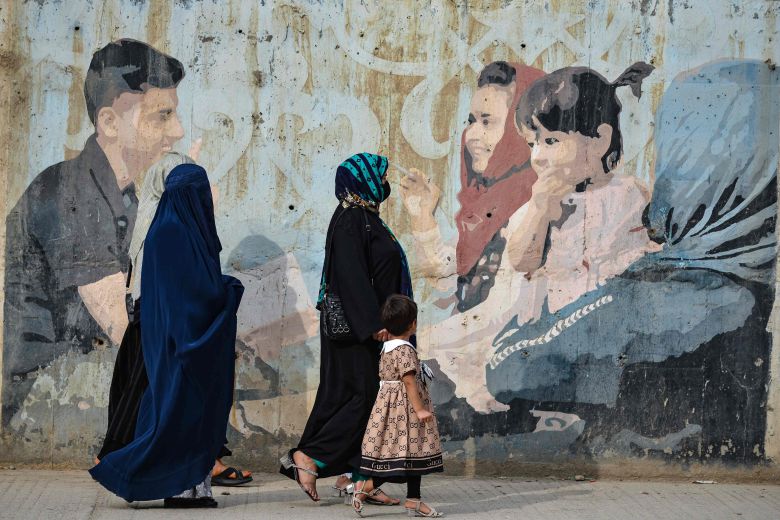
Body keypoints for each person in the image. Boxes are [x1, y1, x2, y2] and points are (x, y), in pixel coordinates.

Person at [487, 59, 778, 460]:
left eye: (672, 146)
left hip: (583, 331)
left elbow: (508, 367)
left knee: (508, 363)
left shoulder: (638, 231)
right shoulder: (747, 281)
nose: (538, 155)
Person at [419, 62, 659, 413]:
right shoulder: (537, 204)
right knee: (429, 346)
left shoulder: (627, 197)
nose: (539, 157)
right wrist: (540, 210)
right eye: (533, 144)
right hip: (522, 318)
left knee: (490, 368)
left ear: (600, 139)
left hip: (578, 324)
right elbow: (520, 259)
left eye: (551, 141)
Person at [3, 38, 185, 425]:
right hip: (47, 407)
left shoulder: (130, 195)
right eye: (162, 116)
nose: (179, 131)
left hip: (102, 392)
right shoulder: (67, 193)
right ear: (109, 123)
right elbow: (127, 330)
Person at [89, 163, 244, 506]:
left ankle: (188, 489)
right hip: (181, 340)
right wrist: (228, 291)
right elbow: (191, 296)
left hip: (176, 337)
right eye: (202, 192)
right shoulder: (174, 233)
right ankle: (133, 473)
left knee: (185, 413)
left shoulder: (176, 229)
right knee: (177, 413)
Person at [279, 153, 411, 505]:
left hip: (370, 328)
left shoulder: (364, 217)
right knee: (363, 398)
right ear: (364, 180)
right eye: (381, 176)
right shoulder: (352, 219)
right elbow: (351, 277)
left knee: (371, 400)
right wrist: (373, 325)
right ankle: (310, 457)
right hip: (359, 332)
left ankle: (360, 477)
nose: (386, 184)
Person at [399, 61, 542, 311]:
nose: (472, 135)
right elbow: (448, 273)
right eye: (471, 121)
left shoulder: (539, 206)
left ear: (522, 130)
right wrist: (422, 215)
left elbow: (505, 310)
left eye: (487, 122)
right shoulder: (487, 206)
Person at [352, 294, 443, 517]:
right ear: (413, 324)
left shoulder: (387, 347)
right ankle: (367, 487)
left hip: (390, 407)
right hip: (406, 410)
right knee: (403, 453)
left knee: (412, 453)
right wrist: (420, 409)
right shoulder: (404, 350)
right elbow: (409, 381)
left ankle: (413, 500)